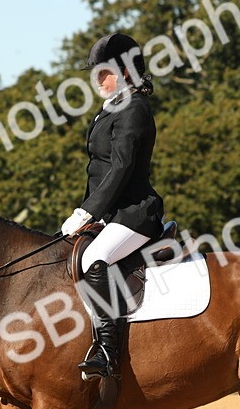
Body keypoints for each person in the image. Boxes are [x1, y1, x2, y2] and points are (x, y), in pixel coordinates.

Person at [61, 33, 164, 379]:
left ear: (125, 71)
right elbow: (97, 169)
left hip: (135, 214)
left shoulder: (134, 108)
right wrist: (89, 212)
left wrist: (87, 211)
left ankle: (108, 350)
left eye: (103, 72)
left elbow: (121, 167)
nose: (97, 79)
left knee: (94, 259)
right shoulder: (109, 109)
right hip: (111, 216)